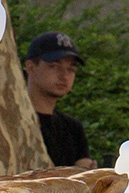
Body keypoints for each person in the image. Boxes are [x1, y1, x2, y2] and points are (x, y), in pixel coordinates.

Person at [24, 31, 96, 168]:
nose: (64, 76)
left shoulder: (73, 128)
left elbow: (82, 179)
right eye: (54, 66)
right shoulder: (13, 121)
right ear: (31, 68)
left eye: (71, 69)